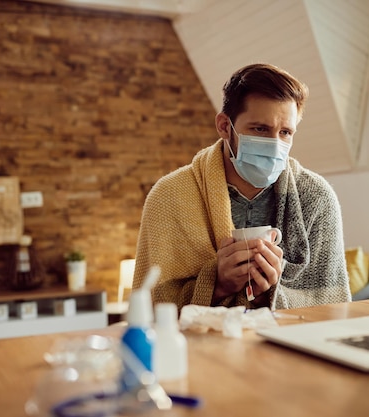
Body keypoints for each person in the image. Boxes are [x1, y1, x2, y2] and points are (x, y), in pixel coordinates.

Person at [133, 63, 351, 310]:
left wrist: (267, 294)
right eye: (260, 129)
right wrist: (218, 285)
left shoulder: (317, 198)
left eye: (286, 132)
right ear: (225, 126)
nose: (274, 144)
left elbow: (333, 306)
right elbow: (149, 307)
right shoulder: (169, 197)